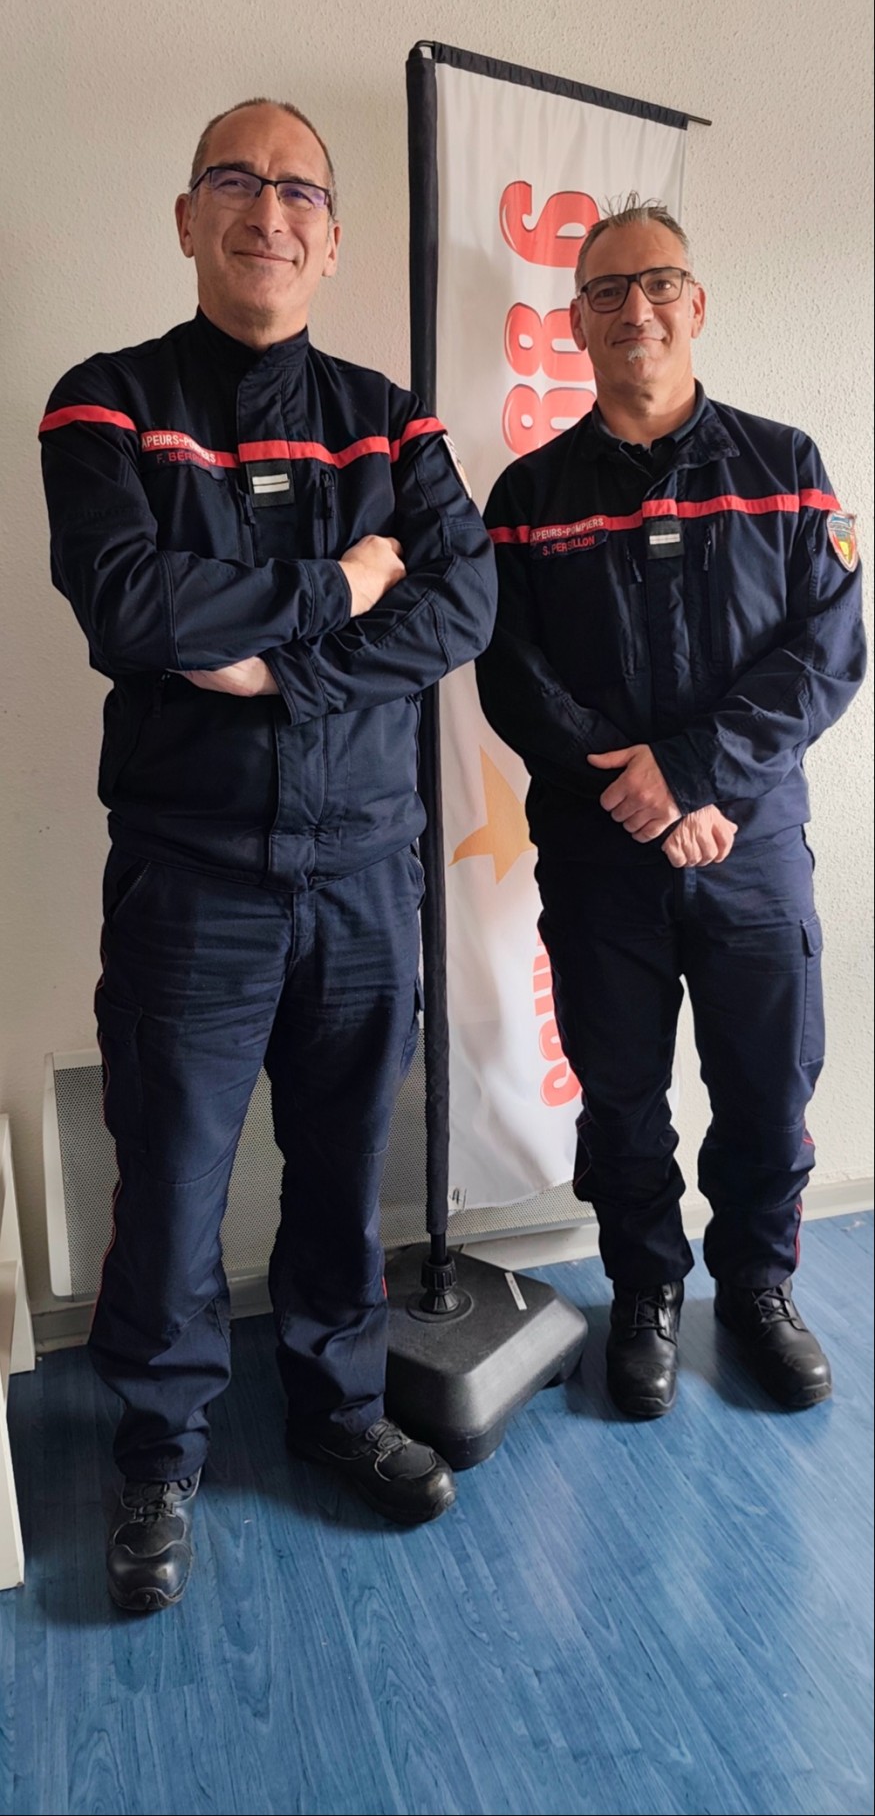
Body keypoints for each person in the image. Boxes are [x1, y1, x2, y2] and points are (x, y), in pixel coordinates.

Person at [41, 97, 497, 1610]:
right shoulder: (104, 403)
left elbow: (463, 601)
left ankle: (336, 1408)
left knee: (341, 1166)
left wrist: (276, 665)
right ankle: (158, 1452)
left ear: (333, 238)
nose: (268, 211)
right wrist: (339, 584)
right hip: (193, 877)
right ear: (187, 218)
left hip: (366, 869)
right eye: (234, 181)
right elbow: (132, 607)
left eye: (298, 190)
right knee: (171, 1181)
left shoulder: (392, 419)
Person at [476, 196, 865, 1422]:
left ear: (694, 305)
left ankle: (755, 1286)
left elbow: (826, 655)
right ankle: (643, 1287)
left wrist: (693, 775)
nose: (633, 308)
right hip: (601, 855)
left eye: (655, 285)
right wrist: (641, 794)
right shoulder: (526, 496)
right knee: (621, 1092)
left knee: (766, 1085)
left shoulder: (784, 468)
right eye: (605, 290)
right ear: (575, 322)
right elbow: (511, 677)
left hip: (750, 847)